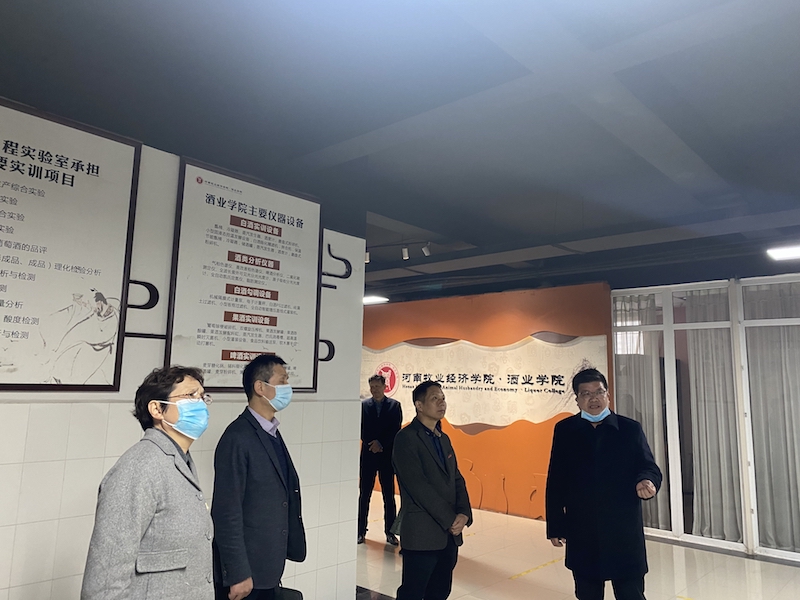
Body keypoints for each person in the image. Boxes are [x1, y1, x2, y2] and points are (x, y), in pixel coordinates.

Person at [81, 366, 214, 600]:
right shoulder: (139, 467)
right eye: (191, 396)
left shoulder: (179, 460)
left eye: (203, 397)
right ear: (157, 409)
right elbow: (105, 579)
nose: (201, 404)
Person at [546, 368, 662, 600]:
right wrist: (556, 525)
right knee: (588, 593)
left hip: (623, 530)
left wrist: (647, 481)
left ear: (608, 395)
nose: (594, 399)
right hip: (583, 529)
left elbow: (649, 466)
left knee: (631, 594)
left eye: (599, 392)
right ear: (577, 400)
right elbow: (556, 479)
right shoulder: (566, 430)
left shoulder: (629, 429)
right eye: (586, 394)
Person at [211, 354, 306, 600]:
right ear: (260, 387)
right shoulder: (237, 437)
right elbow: (226, 512)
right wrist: (237, 573)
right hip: (246, 573)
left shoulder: (271, 431)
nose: (287, 387)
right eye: (282, 380)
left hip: (267, 565)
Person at [392, 380, 472, 600]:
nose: (441, 403)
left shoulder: (443, 438)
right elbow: (418, 486)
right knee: (413, 593)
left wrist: (464, 513)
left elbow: (457, 478)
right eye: (434, 399)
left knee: (440, 592)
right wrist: (450, 520)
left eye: (443, 398)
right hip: (422, 535)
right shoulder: (406, 439)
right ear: (419, 405)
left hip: (448, 537)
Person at [358, 373, 403, 545]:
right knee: (364, 495)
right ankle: (360, 531)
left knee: (388, 496)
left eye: (377, 386)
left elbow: (395, 429)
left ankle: (390, 532)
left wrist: (381, 443)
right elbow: (360, 428)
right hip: (368, 455)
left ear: (385, 387)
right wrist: (371, 443)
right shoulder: (363, 406)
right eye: (372, 387)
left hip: (386, 456)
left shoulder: (394, 406)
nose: (374, 390)